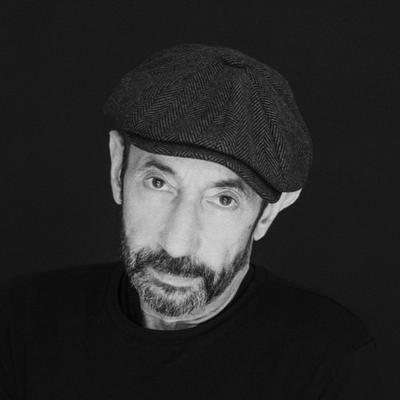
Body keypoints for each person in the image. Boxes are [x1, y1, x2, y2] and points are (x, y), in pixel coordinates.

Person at [0, 44, 384, 399]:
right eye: (158, 183)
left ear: (267, 213)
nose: (176, 244)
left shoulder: (330, 361)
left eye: (223, 200)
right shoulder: (23, 321)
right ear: (118, 168)